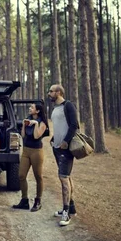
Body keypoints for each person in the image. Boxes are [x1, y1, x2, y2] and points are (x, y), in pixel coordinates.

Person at [48, 84, 79, 226]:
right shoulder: (55, 108)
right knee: (67, 176)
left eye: (51, 91)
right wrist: (55, 137)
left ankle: (66, 214)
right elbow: (60, 125)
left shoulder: (68, 105)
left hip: (65, 149)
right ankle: (70, 207)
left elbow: (74, 125)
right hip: (57, 147)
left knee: (63, 178)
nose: (49, 93)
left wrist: (65, 141)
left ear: (59, 92)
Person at [12, 103, 48, 212]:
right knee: (21, 175)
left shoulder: (42, 123)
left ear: (37, 111)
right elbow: (23, 135)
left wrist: (36, 124)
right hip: (26, 151)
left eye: (32, 107)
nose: (29, 108)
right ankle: (24, 200)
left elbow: (37, 136)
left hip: (37, 152)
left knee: (38, 176)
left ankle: (38, 201)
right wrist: (24, 125)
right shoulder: (28, 119)